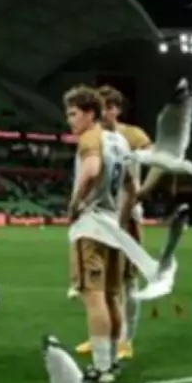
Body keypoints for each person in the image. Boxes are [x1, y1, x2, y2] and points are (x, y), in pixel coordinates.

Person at [75, 85, 165, 361]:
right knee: (99, 285)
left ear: (115, 109)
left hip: (126, 217)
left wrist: (143, 191)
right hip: (100, 218)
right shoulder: (95, 136)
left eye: (105, 107)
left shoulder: (132, 135)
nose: (100, 113)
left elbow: (160, 159)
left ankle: (126, 341)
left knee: (126, 282)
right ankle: (102, 338)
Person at [64, 85, 136, 383]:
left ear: (89, 113)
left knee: (93, 297)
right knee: (111, 296)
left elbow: (92, 170)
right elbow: (131, 187)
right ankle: (114, 360)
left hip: (91, 226)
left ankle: (102, 366)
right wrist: (121, 218)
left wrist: (74, 204)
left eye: (73, 113)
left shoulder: (90, 138)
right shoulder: (120, 141)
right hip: (113, 226)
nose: (69, 120)